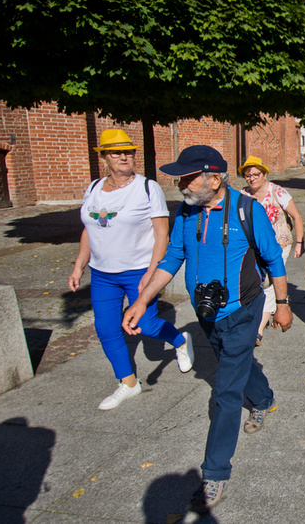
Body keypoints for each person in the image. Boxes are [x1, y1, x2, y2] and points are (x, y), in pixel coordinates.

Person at [122, 145, 293, 513]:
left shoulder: (248, 210)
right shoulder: (186, 210)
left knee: (225, 392)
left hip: (243, 312)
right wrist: (143, 300)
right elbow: (172, 258)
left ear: (215, 179)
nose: (179, 183)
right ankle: (263, 399)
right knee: (238, 366)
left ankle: (214, 473)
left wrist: (282, 305)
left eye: (187, 177)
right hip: (207, 313)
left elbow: (274, 259)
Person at [68, 128, 193, 411]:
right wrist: (79, 265)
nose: (124, 157)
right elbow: (90, 229)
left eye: (128, 152)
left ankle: (179, 340)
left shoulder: (147, 188)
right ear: (104, 158)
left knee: (147, 325)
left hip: (138, 270)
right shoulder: (93, 189)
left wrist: (152, 272)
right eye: (117, 152)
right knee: (106, 328)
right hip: (102, 273)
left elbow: (162, 234)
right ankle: (128, 383)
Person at [238, 156, 304, 345]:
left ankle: (259, 329)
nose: (252, 179)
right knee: (257, 280)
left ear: (264, 174)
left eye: (256, 174)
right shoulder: (243, 195)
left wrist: (299, 242)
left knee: (269, 281)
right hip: (255, 247)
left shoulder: (277, 192)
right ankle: (268, 309)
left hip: (279, 244)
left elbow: (297, 217)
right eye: (248, 175)